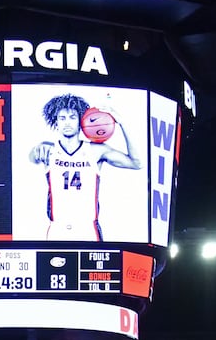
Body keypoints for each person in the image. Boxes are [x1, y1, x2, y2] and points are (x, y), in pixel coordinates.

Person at [27, 93, 141, 241]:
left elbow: (136, 163)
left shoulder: (96, 150)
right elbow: (32, 157)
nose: (67, 123)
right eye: (62, 118)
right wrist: (35, 149)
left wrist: (122, 123)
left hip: (87, 229)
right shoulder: (48, 150)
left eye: (72, 117)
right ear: (56, 122)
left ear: (81, 120)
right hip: (57, 229)